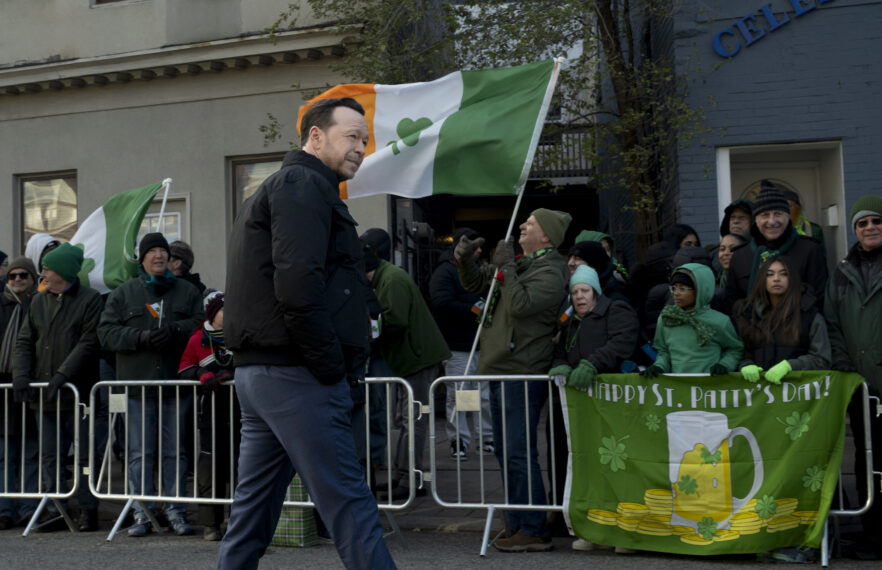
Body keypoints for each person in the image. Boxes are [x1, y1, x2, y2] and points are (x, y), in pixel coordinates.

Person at [219, 97, 395, 569]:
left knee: (252, 514)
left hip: (266, 375)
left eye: (364, 138)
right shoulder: (302, 184)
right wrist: (330, 365)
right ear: (315, 137)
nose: (361, 146)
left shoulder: (290, 186)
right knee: (351, 506)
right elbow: (298, 287)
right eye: (351, 136)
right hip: (296, 375)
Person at [456, 208, 571, 552]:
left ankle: (533, 527)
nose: (521, 226)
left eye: (530, 224)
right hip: (503, 367)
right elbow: (478, 283)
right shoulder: (526, 266)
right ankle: (520, 523)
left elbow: (521, 305)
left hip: (521, 370)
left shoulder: (551, 271)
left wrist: (505, 266)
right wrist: (465, 262)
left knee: (519, 452)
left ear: (547, 236)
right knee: (507, 451)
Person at [98, 232, 204, 537]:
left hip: (174, 385)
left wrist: (176, 330)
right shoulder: (123, 294)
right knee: (139, 453)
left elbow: (201, 323)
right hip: (137, 387)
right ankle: (141, 513)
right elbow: (105, 332)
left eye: (163, 251)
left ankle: (176, 511)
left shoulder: (186, 291)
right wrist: (139, 337)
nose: (159, 256)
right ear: (142, 259)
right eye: (152, 251)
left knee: (175, 452)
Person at [11, 243, 104, 532]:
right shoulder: (38, 302)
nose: (43, 274)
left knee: (86, 455)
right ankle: (55, 510)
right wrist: (21, 376)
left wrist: (64, 374)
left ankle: (88, 509)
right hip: (46, 392)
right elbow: (25, 341)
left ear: (62, 271)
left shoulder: (90, 300)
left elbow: (89, 342)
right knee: (49, 455)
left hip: (79, 392)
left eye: (48, 269)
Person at [548, 265, 639, 553]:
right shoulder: (570, 321)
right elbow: (560, 351)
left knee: (620, 467)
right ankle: (593, 529)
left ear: (596, 292)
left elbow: (624, 341)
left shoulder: (617, 311)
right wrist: (559, 364)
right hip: (584, 406)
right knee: (589, 468)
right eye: (574, 292)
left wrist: (592, 363)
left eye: (584, 291)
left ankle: (624, 532)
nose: (579, 297)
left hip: (615, 402)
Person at [363, 229, 450, 500]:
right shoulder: (386, 278)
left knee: (413, 420)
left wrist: (368, 335)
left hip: (417, 358)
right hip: (410, 358)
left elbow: (395, 321)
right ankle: (404, 476)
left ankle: (411, 478)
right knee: (405, 419)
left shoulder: (391, 281)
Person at [823, 195, 882, 558]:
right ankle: (873, 535)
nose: (870, 228)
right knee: (866, 460)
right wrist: (846, 365)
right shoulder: (842, 272)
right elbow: (831, 324)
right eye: (862, 223)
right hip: (861, 387)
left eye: (877, 221)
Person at [178, 290, 239, 541]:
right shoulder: (197, 340)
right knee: (210, 468)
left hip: (241, 414)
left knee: (240, 469)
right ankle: (210, 524)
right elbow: (183, 369)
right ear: (212, 315)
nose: (230, 314)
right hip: (210, 416)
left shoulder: (241, 336)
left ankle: (238, 521)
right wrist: (200, 375)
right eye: (224, 310)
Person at [429, 227, 493, 462]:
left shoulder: (476, 271)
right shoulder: (444, 272)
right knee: (460, 395)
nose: (478, 252)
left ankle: (486, 438)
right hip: (457, 345)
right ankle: (460, 440)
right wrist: (472, 309)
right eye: (474, 247)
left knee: (483, 394)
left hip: (479, 343)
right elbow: (440, 303)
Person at [723, 181, 828, 313]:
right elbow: (731, 303)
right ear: (756, 220)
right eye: (765, 215)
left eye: (778, 214)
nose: (772, 221)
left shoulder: (810, 250)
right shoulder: (740, 256)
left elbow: (820, 298)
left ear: (788, 217)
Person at [733, 256, 830, 384]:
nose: (776, 279)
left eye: (784, 274)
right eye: (770, 274)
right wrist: (745, 364)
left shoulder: (809, 315)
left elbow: (822, 359)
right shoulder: (748, 314)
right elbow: (738, 352)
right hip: (758, 395)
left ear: (793, 279)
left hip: (799, 394)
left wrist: (790, 366)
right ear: (762, 279)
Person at [641, 263, 743, 376]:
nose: (676, 293)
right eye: (673, 288)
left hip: (710, 389)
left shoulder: (720, 321)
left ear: (701, 289)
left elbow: (736, 349)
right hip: (678, 388)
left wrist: (724, 365)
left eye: (683, 288)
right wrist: (659, 366)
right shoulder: (667, 318)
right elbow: (664, 351)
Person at [0, 257, 39, 529]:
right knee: (4, 453)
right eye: (12, 275)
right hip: (2, 388)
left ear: (33, 278)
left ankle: (28, 508)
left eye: (23, 275)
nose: (17, 279)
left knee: (31, 452)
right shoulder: (0, 304)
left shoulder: (39, 304)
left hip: (31, 386)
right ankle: (4, 509)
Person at [714, 233, 749, 308]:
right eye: (722, 249)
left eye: (732, 249)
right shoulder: (715, 281)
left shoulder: (750, 282)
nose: (726, 253)